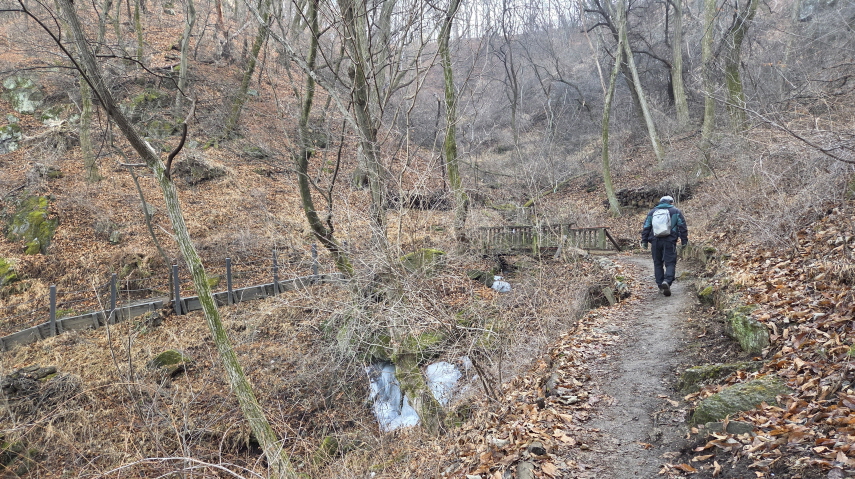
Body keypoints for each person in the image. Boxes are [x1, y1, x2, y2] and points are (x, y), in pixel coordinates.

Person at [641, 195, 688, 296]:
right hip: (669, 240)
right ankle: (667, 281)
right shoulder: (675, 211)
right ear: (671, 202)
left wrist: (644, 241)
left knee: (657, 263)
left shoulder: (652, 212)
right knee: (670, 262)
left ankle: (660, 285)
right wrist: (684, 241)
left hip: (655, 241)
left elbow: (646, 226)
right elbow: (682, 226)